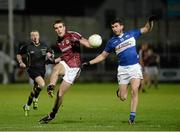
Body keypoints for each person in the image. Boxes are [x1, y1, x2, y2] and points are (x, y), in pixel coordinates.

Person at [82, 16, 156, 124]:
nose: (114, 28)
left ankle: (132, 117)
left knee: (135, 91)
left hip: (135, 67)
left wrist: (150, 21)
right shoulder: (111, 42)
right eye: (112, 27)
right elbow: (102, 56)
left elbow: (147, 28)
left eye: (116, 26)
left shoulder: (131, 34)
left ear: (121, 26)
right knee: (123, 97)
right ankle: (120, 92)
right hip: (122, 70)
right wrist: (89, 62)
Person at [39, 19, 93, 124]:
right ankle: (51, 86)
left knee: (60, 94)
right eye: (56, 28)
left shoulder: (72, 35)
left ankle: (52, 114)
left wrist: (92, 42)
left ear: (64, 27)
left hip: (75, 68)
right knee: (55, 68)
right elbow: (65, 56)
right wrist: (53, 61)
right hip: (66, 63)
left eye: (60, 27)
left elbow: (88, 44)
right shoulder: (59, 41)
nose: (58, 30)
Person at [16, 30, 53, 116]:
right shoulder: (27, 46)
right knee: (42, 84)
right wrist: (21, 62)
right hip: (32, 69)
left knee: (35, 89)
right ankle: (36, 98)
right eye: (33, 35)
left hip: (42, 70)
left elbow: (50, 53)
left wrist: (50, 55)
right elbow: (18, 54)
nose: (35, 37)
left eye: (36, 35)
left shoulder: (44, 46)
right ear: (31, 37)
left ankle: (27, 106)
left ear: (39, 36)